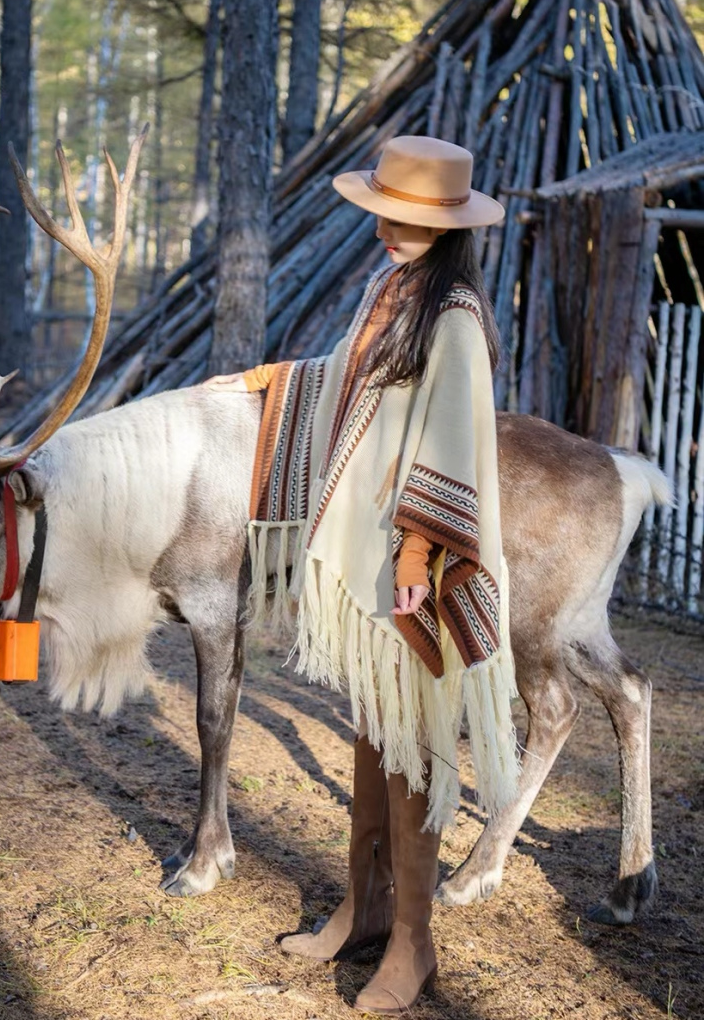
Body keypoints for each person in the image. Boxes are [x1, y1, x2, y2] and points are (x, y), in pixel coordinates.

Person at [208, 135, 520, 1015]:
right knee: (374, 731)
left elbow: (451, 437)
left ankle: (414, 943)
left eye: (409, 217)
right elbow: (348, 386)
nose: (388, 226)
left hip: (411, 556)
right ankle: (365, 904)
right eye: (385, 210)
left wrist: (419, 552)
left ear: (447, 225)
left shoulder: (452, 316)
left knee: (414, 742)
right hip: (376, 547)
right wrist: (273, 384)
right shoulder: (393, 293)